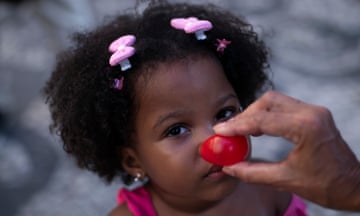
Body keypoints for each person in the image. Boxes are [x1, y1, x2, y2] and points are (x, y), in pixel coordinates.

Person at [43, 2, 308, 215]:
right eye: (176, 129)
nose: (215, 139)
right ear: (133, 161)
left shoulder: (270, 186)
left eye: (225, 113)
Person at [215, 90, 360, 211]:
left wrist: (353, 190)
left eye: (225, 114)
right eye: (190, 129)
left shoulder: (272, 190)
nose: (215, 143)